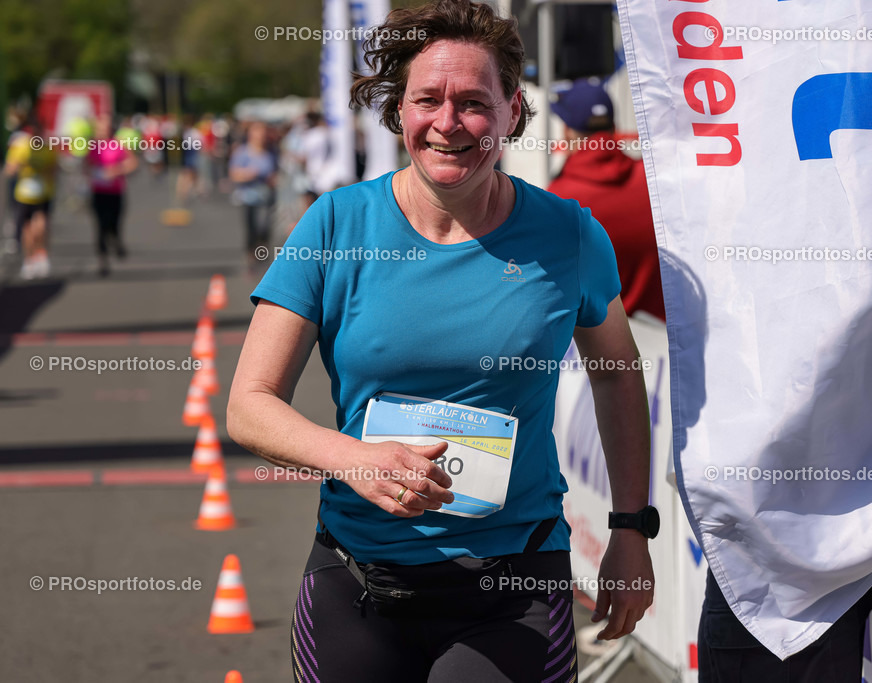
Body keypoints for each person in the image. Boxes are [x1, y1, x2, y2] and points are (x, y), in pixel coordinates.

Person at [226, 1, 656, 680]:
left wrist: (632, 528)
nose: (448, 123)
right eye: (428, 99)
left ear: (514, 111)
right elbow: (249, 403)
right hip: (359, 576)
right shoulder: (337, 224)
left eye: (474, 102)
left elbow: (616, 371)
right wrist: (352, 457)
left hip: (514, 584)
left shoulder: (568, 233)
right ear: (399, 110)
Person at [548, 78, 665, 321]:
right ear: (613, 127)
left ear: (567, 132)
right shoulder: (655, 178)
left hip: (595, 349)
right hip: (670, 340)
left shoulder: (557, 199)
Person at [3, 117, 58, 279]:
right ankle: (29, 260)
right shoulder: (21, 147)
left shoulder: (48, 148)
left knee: (40, 226)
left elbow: (54, 170)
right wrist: (22, 164)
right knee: (27, 229)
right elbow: (9, 170)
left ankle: (41, 254)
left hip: (43, 192)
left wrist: (43, 169)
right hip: (24, 194)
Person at [87, 115, 138, 276]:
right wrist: (92, 173)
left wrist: (116, 170)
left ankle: (116, 240)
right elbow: (86, 165)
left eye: (106, 128)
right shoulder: (93, 145)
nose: (103, 131)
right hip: (98, 192)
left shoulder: (118, 144)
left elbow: (133, 163)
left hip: (115, 191)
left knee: (114, 223)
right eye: (100, 128)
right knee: (100, 226)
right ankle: (103, 260)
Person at [228, 121, 276, 263]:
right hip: (249, 196)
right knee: (252, 229)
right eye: (257, 132)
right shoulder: (242, 152)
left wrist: (273, 180)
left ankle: (262, 254)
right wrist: (249, 174)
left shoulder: (271, 151)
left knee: (266, 228)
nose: (261, 135)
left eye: (263, 132)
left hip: (267, 196)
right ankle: (251, 257)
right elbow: (233, 173)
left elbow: (275, 172)